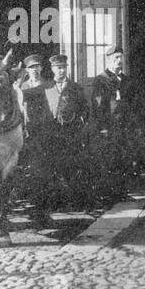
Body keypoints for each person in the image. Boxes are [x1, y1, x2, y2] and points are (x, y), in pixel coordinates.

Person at [90, 44, 139, 203]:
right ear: (108, 60)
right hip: (109, 127)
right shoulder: (101, 80)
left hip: (124, 127)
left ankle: (122, 192)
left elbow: (132, 105)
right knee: (109, 160)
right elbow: (98, 106)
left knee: (124, 159)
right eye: (115, 58)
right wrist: (102, 128)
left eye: (120, 58)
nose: (119, 61)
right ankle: (108, 195)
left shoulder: (127, 80)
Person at [44, 53, 90, 210]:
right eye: (58, 68)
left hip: (71, 133)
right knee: (54, 166)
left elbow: (85, 109)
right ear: (52, 69)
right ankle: (56, 201)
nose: (61, 71)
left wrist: (80, 122)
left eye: (63, 68)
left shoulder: (75, 88)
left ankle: (73, 200)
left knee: (71, 165)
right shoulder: (47, 88)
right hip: (52, 134)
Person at [18, 53, 53, 226]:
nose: (35, 70)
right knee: (25, 171)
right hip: (26, 134)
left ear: (42, 68)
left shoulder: (48, 85)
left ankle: (42, 211)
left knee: (42, 172)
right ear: (26, 70)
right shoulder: (21, 86)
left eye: (37, 67)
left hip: (43, 134)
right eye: (31, 67)